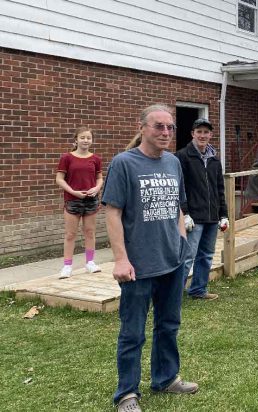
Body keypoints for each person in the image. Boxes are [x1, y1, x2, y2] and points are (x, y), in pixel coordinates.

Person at [102, 104, 198, 412]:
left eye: (170, 127)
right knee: (132, 333)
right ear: (142, 127)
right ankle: (127, 394)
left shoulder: (173, 162)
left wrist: (182, 246)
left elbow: (178, 208)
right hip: (138, 266)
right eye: (159, 126)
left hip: (172, 262)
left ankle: (166, 378)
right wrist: (120, 259)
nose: (166, 132)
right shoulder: (124, 163)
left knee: (169, 325)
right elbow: (113, 213)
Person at [175, 118, 229, 300]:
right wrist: (185, 213)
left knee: (206, 256)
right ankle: (173, 294)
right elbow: (179, 188)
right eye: (199, 132)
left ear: (211, 135)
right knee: (186, 257)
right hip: (193, 218)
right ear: (192, 134)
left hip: (212, 217)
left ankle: (198, 290)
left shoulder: (214, 160)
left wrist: (223, 215)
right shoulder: (182, 156)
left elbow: (219, 189)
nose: (202, 135)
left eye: (206, 132)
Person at [55, 127, 103, 279]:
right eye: (82, 137)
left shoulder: (96, 159)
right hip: (72, 200)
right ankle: (67, 266)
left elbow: (99, 178)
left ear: (92, 141)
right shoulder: (67, 158)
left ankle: (90, 263)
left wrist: (96, 188)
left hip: (91, 200)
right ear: (76, 140)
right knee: (70, 234)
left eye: (88, 138)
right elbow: (59, 179)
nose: (85, 140)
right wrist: (72, 191)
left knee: (90, 232)